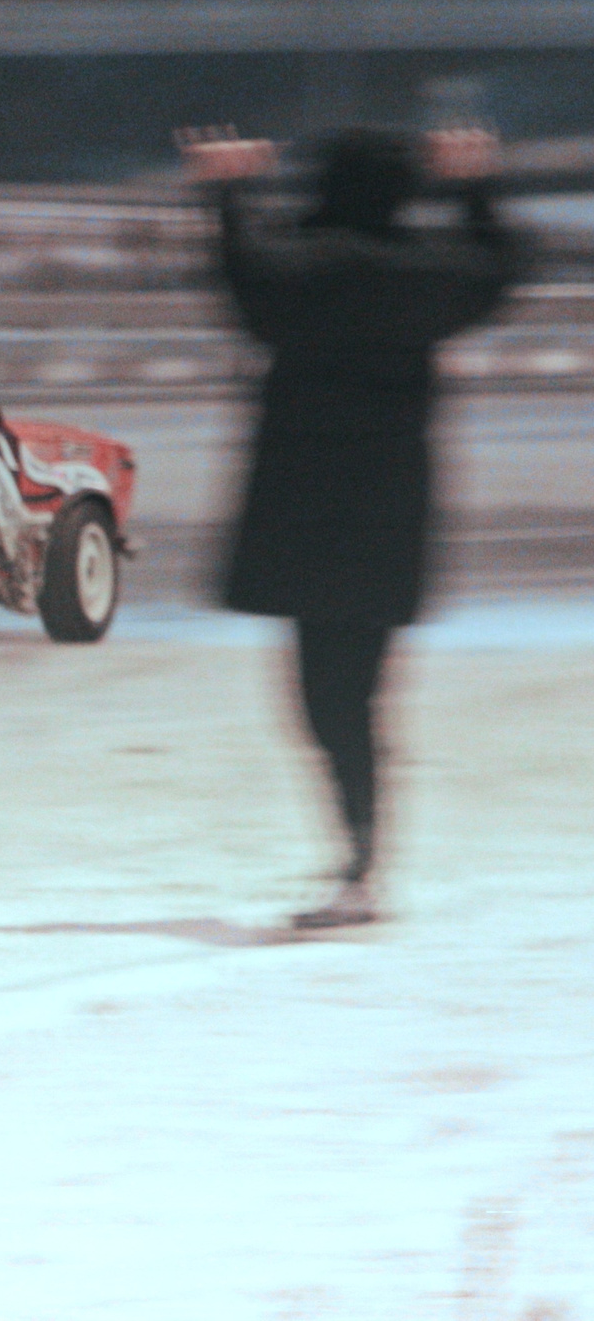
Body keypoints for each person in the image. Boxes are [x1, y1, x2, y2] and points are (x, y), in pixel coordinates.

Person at [178, 126, 527, 928]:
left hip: (301, 509)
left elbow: (243, 281)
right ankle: (361, 864)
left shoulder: (306, 269)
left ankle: (357, 858)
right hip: (389, 511)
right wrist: (473, 184)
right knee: (359, 692)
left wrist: (228, 191)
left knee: (320, 698)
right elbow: (499, 270)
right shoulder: (425, 277)